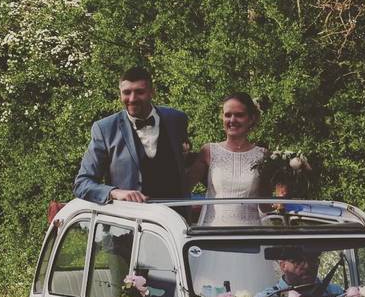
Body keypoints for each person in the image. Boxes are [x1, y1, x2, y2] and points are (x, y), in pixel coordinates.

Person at [73, 67, 189, 204]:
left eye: (139, 92)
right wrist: (114, 192)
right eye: (126, 92)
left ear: (152, 92)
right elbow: (82, 184)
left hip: (175, 218)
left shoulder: (176, 119)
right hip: (129, 221)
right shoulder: (105, 129)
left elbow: (183, 161)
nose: (132, 99)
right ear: (120, 94)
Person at [187, 92, 268, 225]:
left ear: (251, 118)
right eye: (228, 115)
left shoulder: (262, 155)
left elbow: (265, 205)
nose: (232, 120)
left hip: (251, 233)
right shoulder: (209, 151)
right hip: (214, 232)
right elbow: (183, 189)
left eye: (239, 115)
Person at [255, 247, 344, 297]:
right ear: (283, 266)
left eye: (312, 260)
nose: (307, 266)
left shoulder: (336, 293)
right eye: (298, 261)